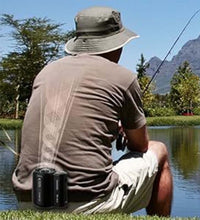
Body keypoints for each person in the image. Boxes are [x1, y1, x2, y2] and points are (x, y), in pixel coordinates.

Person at [12, 6, 173, 216]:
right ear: (117, 44)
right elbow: (140, 145)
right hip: (88, 203)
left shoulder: (46, 72)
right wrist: (123, 129)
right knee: (158, 149)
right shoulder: (123, 78)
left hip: (30, 200)